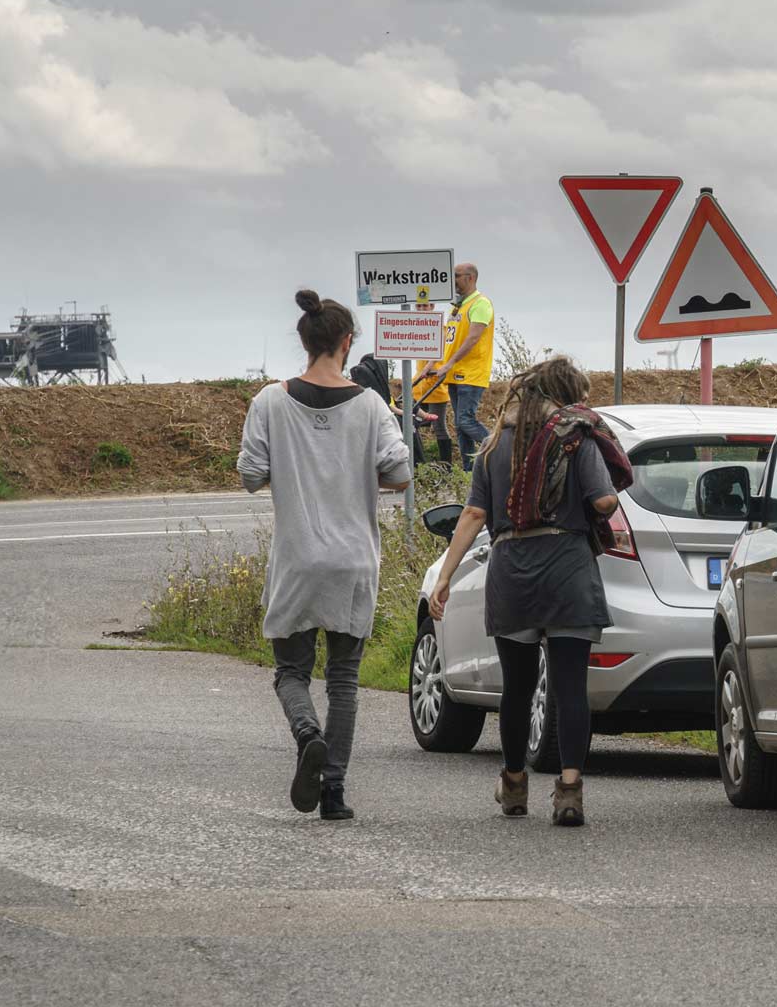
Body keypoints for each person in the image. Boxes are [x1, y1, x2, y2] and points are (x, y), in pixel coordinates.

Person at [237, 291, 412, 821]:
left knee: (291, 672)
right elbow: (400, 474)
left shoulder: (270, 401)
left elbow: (250, 474)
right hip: (354, 559)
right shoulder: (372, 405)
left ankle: (307, 733)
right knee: (343, 680)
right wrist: (359, 469)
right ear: (347, 342)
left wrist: (291, 467)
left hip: (297, 559)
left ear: (304, 340)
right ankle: (333, 793)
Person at [428, 356, 621, 826]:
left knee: (517, 687)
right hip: (568, 571)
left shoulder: (494, 445)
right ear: (567, 397)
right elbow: (603, 500)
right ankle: (569, 791)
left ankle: (514, 784)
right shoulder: (577, 438)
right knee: (570, 686)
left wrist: (445, 576)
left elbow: (473, 515)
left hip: (512, 571)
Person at [411, 262, 494, 462]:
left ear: (470, 278)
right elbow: (448, 342)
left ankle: (500, 447)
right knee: (460, 426)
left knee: (465, 421)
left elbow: (472, 338)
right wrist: (430, 365)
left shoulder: (480, 304)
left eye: (456, 276)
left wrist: (449, 364)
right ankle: (468, 470)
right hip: (455, 374)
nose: (452, 280)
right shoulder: (458, 307)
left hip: (471, 373)